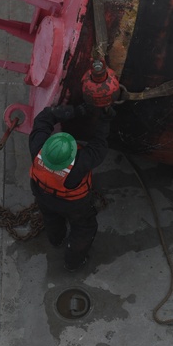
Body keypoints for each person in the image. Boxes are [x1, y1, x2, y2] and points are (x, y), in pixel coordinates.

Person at [28, 103, 110, 271]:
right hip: (74, 205)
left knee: (50, 217)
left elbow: (42, 120)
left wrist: (72, 110)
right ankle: (73, 262)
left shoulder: (37, 148)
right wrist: (105, 118)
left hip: (42, 195)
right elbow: (99, 146)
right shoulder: (79, 164)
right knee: (84, 228)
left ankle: (56, 239)